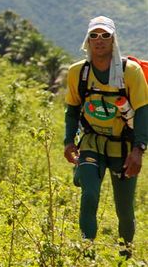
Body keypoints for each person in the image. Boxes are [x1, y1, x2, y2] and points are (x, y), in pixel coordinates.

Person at [63, 16, 148, 258]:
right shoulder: (77, 72)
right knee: (89, 195)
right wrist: (69, 141)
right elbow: (72, 110)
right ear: (87, 40)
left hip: (124, 147)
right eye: (94, 35)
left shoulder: (129, 72)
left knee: (124, 208)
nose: (99, 40)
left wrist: (138, 150)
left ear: (113, 40)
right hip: (92, 142)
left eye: (105, 35)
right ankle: (86, 255)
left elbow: (143, 111)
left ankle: (125, 256)